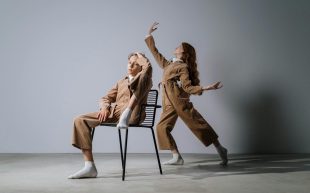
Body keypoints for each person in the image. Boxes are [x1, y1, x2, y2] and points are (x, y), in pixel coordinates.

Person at [144, 22, 228, 166]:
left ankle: (220, 148)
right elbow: (155, 53)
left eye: (179, 47)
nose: (176, 47)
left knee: (198, 124)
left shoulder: (182, 67)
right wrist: (149, 34)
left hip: (179, 100)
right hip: (168, 102)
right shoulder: (168, 64)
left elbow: (188, 87)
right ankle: (176, 156)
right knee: (161, 127)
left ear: (183, 53)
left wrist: (207, 88)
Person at [68, 52, 152, 179]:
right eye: (130, 63)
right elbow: (105, 98)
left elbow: (148, 69)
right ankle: (89, 166)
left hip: (134, 113)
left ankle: (126, 114)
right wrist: (104, 108)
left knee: (144, 77)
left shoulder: (145, 78)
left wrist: (143, 58)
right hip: (115, 113)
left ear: (141, 66)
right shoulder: (121, 82)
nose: (131, 66)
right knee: (79, 120)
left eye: (136, 64)